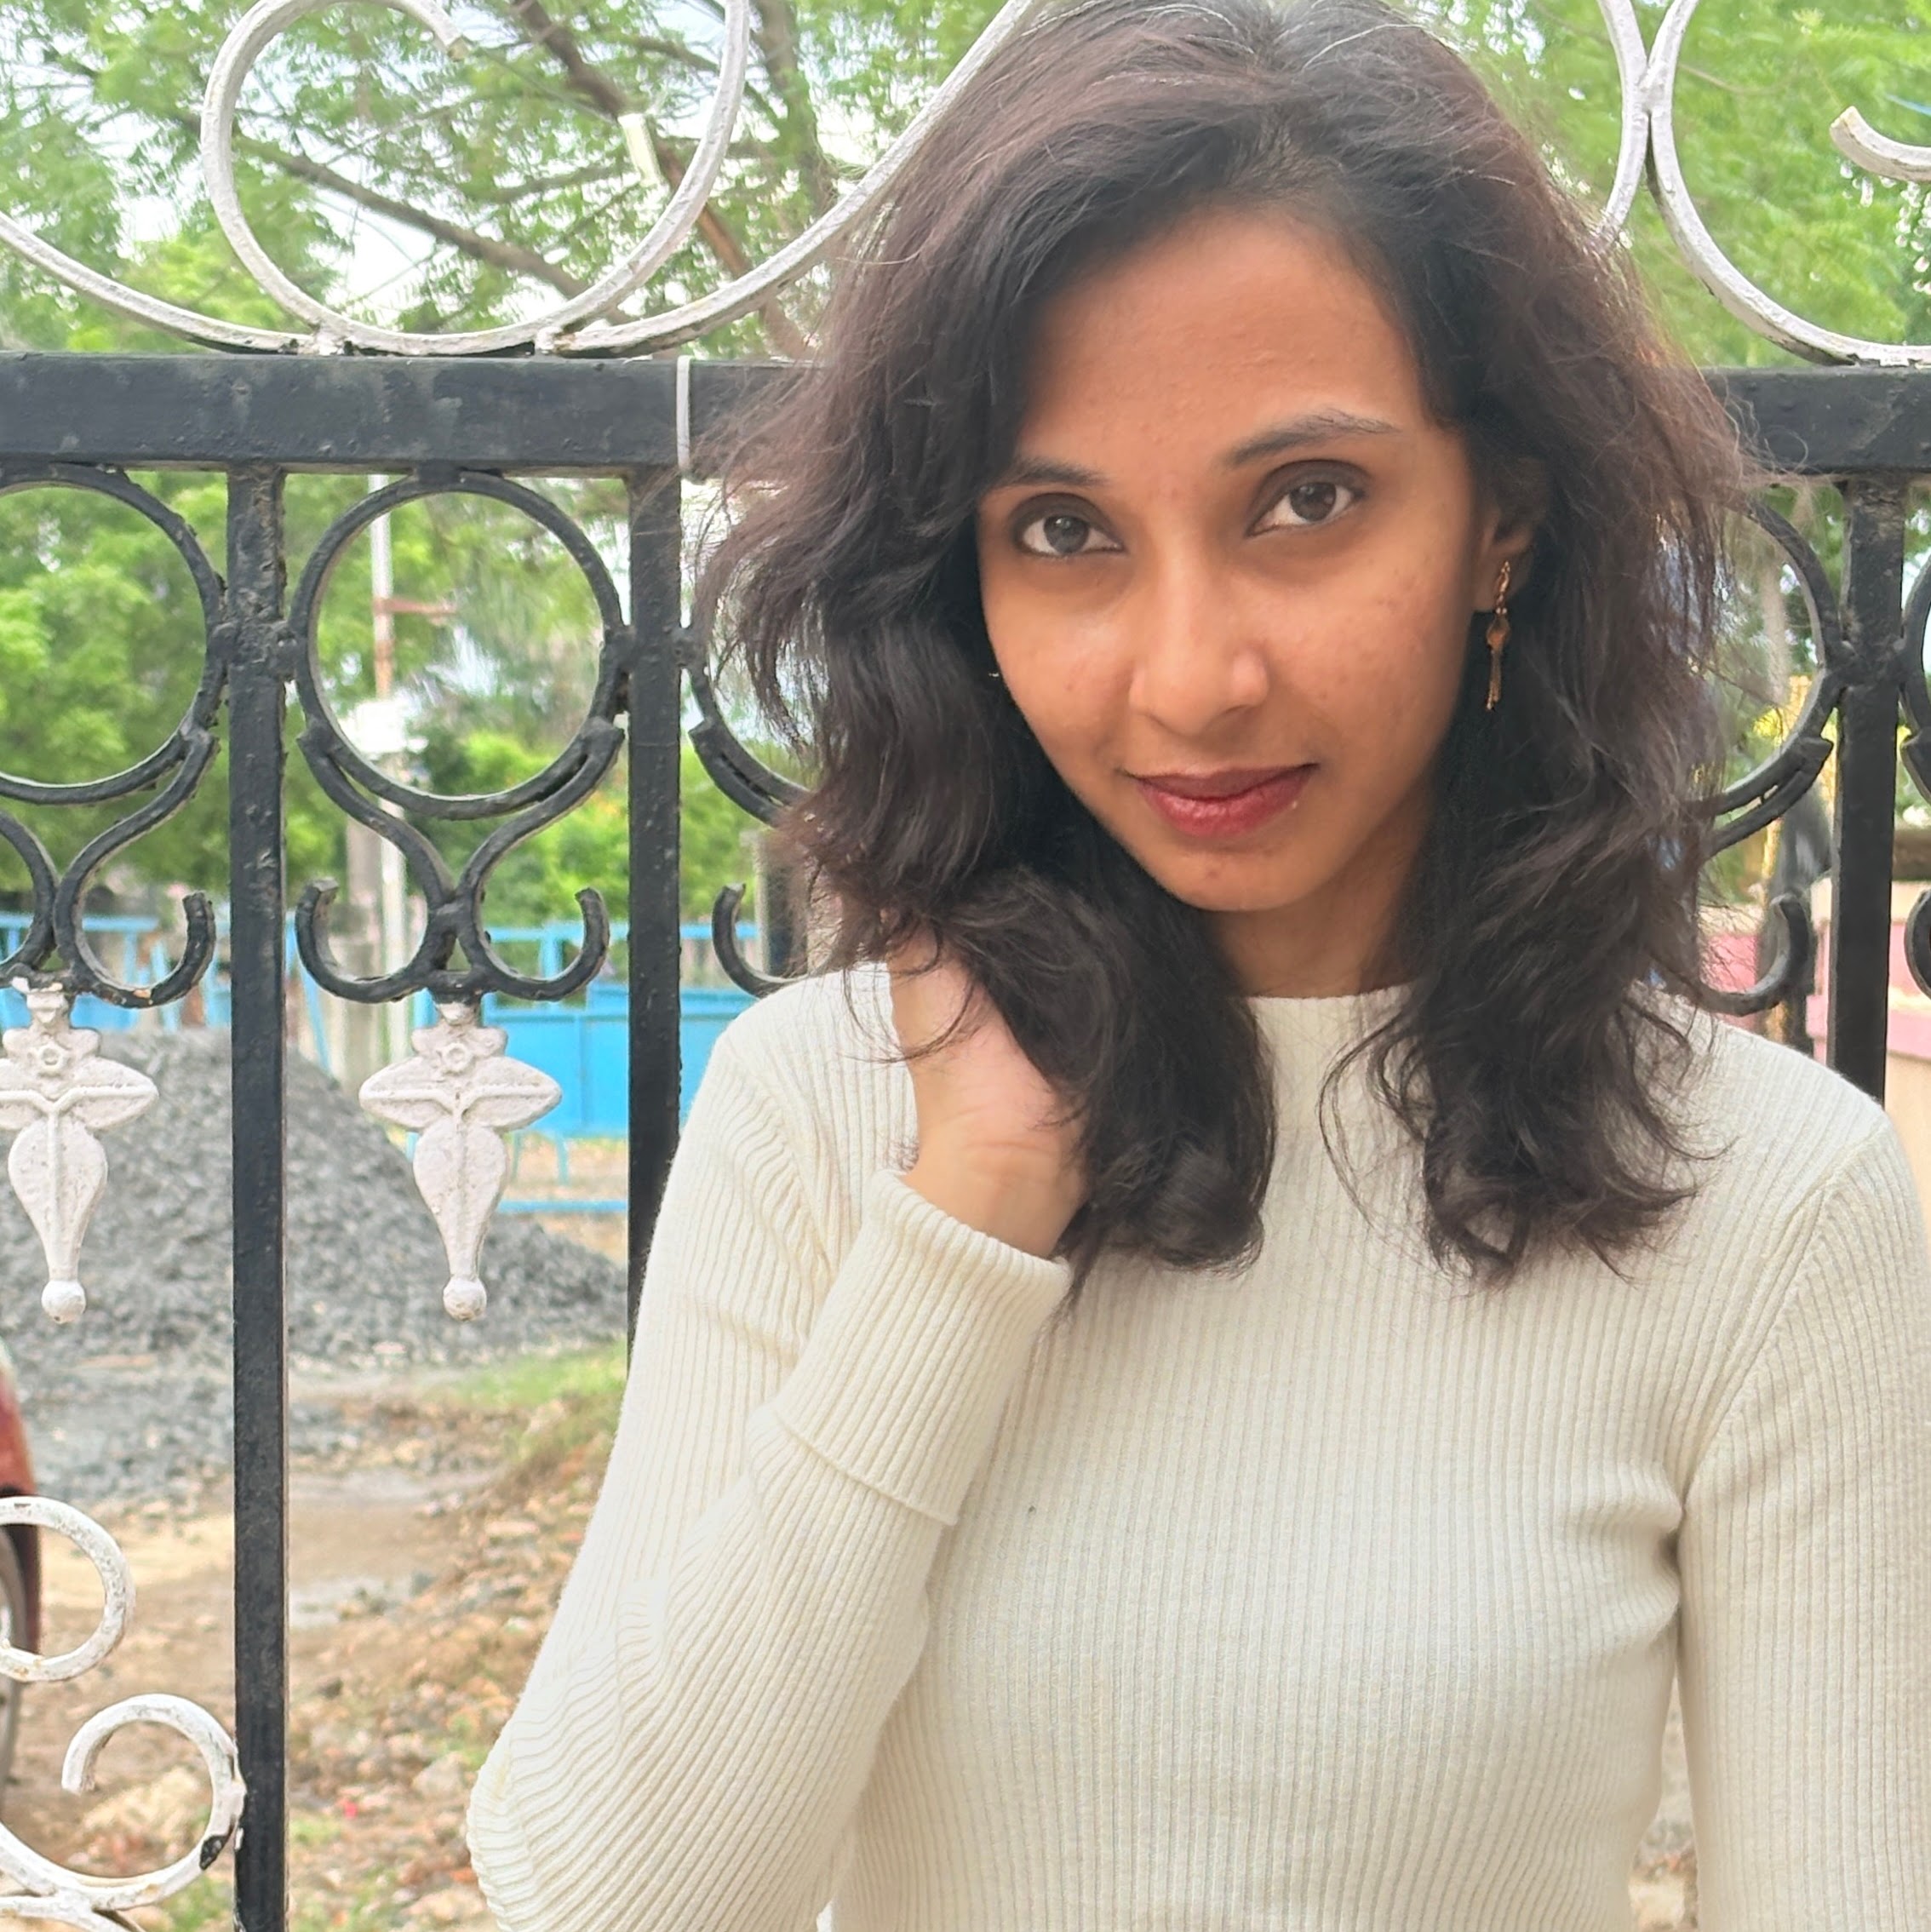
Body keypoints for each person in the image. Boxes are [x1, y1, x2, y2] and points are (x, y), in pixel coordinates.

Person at [464, 1, 1931, 1926]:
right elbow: (607, 1901)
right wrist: (970, 1217)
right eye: (1064, 528)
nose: (1189, 678)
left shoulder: (1764, 1202)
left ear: (1502, 515)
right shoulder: (823, 1113)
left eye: (1307, 500)